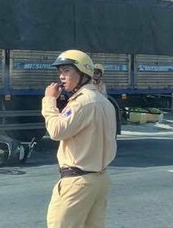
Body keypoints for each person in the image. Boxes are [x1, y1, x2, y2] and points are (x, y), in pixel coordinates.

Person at [42, 50, 117, 228]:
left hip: (78, 182)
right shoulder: (104, 102)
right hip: (100, 179)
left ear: (83, 73)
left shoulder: (82, 102)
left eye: (67, 71)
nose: (61, 76)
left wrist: (49, 100)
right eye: (60, 72)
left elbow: (56, 131)